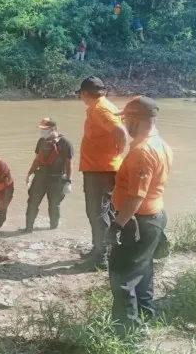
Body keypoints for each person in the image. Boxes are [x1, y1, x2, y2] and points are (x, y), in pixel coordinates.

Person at [108, 96, 173, 333]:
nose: (123, 124)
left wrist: (117, 225)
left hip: (138, 222)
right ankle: (146, 317)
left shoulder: (142, 151)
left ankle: (126, 334)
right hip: (154, 216)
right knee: (143, 270)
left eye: (125, 119)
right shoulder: (161, 144)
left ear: (134, 120)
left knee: (121, 276)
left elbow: (136, 196)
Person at [78, 76, 127, 270]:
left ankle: (101, 258)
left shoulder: (101, 109)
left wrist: (118, 152)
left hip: (101, 169)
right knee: (101, 211)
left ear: (83, 93)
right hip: (98, 167)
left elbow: (120, 132)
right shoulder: (102, 106)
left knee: (98, 213)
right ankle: (99, 248)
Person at [24, 118, 74, 232]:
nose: (42, 132)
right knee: (32, 202)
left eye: (45, 129)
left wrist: (68, 182)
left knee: (54, 205)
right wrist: (29, 173)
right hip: (41, 177)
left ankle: (53, 229)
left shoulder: (65, 142)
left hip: (57, 179)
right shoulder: (41, 141)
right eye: (42, 129)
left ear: (53, 129)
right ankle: (28, 228)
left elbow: (69, 163)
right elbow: (37, 159)